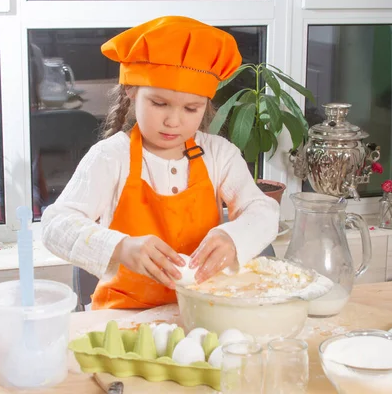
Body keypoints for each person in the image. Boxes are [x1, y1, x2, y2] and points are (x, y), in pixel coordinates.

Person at [41, 16, 279, 310]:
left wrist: (232, 237)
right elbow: (55, 225)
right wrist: (121, 247)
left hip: (201, 311)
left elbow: (264, 211)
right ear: (131, 91)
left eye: (191, 108)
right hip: (123, 315)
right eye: (159, 103)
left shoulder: (220, 155)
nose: (173, 120)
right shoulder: (111, 157)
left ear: (206, 104)